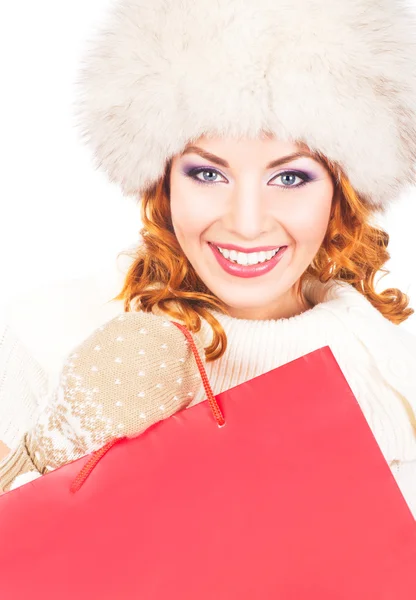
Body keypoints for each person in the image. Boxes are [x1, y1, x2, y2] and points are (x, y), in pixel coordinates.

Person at [1, 0, 416, 520]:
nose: (247, 222)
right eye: (208, 174)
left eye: (289, 178)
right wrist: (49, 453)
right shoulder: (48, 337)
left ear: (340, 195)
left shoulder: (395, 378)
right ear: (164, 183)